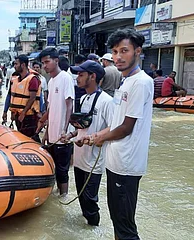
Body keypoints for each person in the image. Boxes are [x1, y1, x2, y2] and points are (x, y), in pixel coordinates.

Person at [84, 29, 153, 240]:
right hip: (116, 162)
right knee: (118, 219)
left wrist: (101, 138)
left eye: (124, 51)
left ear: (138, 52)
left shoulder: (141, 82)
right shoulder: (125, 81)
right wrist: (95, 135)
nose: (118, 57)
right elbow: (116, 122)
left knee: (125, 227)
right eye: (114, 52)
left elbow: (126, 128)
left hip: (126, 164)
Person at [65, 60, 114, 226]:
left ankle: (93, 230)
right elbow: (83, 127)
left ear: (92, 77)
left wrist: (93, 138)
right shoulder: (84, 98)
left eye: (81, 74)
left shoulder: (107, 101)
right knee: (81, 198)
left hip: (94, 162)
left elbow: (113, 128)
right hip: (79, 160)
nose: (77, 78)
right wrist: (71, 134)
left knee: (90, 202)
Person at [37, 48, 75, 201]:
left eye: (47, 62)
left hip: (63, 135)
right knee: (54, 167)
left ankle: (64, 197)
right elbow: (51, 108)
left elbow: (69, 104)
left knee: (62, 170)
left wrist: (65, 130)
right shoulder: (51, 81)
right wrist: (46, 132)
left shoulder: (65, 78)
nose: (45, 66)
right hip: (52, 134)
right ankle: (58, 194)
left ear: (56, 61)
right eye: (43, 63)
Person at [7, 55, 42, 139]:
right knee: (21, 136)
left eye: (16, 64)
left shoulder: (33, 79)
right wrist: (12, 112)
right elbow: (11, 97)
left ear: (23, 65)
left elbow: (32, 98)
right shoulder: (15, 79)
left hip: (29, 116)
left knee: (32, 138)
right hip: (18, 115)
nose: (14, 66)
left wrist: (23, 113)